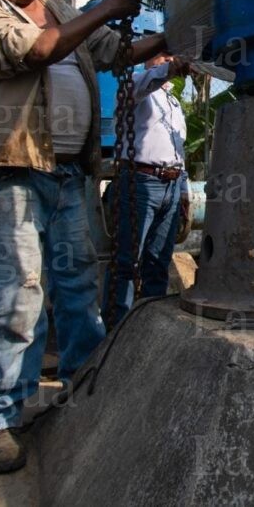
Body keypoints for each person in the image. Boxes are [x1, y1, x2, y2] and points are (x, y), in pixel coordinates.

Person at [0, 0, 171, 474]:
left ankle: (83, 392)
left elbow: (117, 52)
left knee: (77, 290)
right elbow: (37, 50)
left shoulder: (62, 8)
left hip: (70, 172)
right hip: (11, 170)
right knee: (18, 297)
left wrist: (179, 33)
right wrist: (107, 9)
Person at [103, 53, 190, 327]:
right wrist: (170, 69)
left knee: (158, 262)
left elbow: (178, 151)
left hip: (171, 186)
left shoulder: (174, 103)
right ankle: (116, 331)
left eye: (171, 55)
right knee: (126, 262)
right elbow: (147, 82)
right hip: (140, 182)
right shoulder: (134, 85)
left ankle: (148, 328)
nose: (167, 58)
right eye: (161, 53)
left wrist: (183, 191)